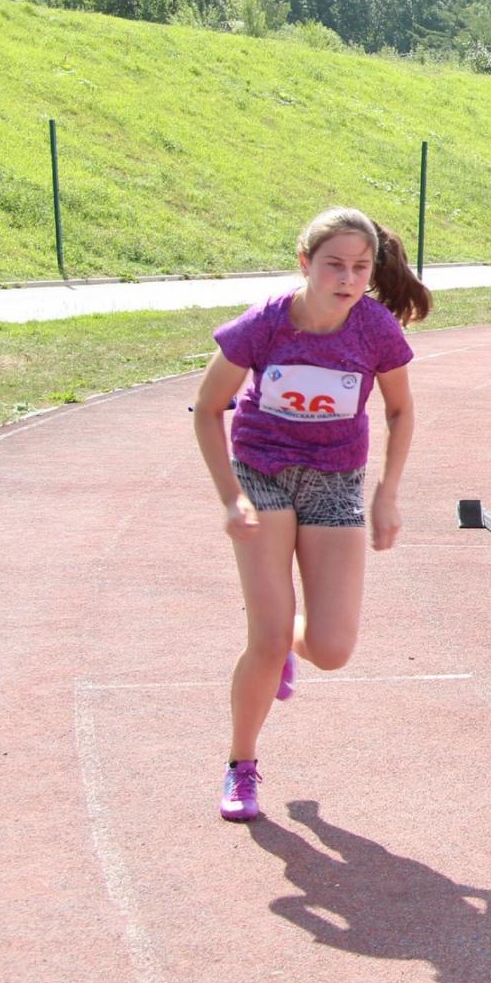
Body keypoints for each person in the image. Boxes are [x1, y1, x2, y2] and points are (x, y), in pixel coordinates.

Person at [192, 207, 429, 823]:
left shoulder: (375, 329)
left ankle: (291, 640)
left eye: (359, 268)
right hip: (262, 472)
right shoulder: (267, 324)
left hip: (335, 479)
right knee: (265, 640)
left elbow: (401, 410)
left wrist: (388, 492)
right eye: (333, 266)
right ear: (305, 263)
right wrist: (229, 496)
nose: (346, 279)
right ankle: (241, 766)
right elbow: (207, 407)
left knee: (331, 648)